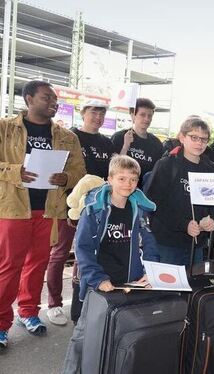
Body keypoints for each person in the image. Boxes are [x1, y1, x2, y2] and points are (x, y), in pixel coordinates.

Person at [0, 80, 85, 349]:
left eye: (55, 99)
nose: (53, 103)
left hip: (49, 210)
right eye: (46, 98)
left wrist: (66, 177)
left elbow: (79, 172)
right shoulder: (5, 129)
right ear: (28, 99)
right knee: (9, 266)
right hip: (13, 208)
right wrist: (15, 171)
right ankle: (1, 323)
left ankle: (28, 312)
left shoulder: (66, 136)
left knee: (37, 264)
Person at [61, 155, 159, 373]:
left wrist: (151, 273)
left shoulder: (139, 210)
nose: (127, 184)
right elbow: (83, 247)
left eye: (133, 179)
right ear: (110, 179)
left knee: (120, 333)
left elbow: (150, 243)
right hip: (100, 285)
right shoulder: (94, 210)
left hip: (129, 283)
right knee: (83, 336)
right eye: (122, 178)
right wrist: (98, 279)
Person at [46, 99, 114, 327]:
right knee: (60, 254)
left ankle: (82, 298)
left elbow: (111, 174)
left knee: (89, 254)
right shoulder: (70, 136)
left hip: (98, 208)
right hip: (70, 205)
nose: (98, 117)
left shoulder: (107, 142)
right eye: (93, 112)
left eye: (102, 113)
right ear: (83, 113)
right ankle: (54, 303)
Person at [146, 117, 214, 266]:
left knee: (193, 288)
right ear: (182, 137)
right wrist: (184, 224)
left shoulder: (210, 168)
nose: (199, 143)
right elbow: (154, 204)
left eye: (204, 139)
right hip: (168, 243)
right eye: (194, 137)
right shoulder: (166, 165)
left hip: (197, 244)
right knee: (167, 289)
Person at [111, 98, 162, 187]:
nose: (146, 119)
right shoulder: (119, 137)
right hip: (122, 187)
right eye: (142, 115)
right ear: (133, 115)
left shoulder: (156, 143)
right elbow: (113, 167)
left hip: (144, 191)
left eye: (149, 116)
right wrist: (125, 146)